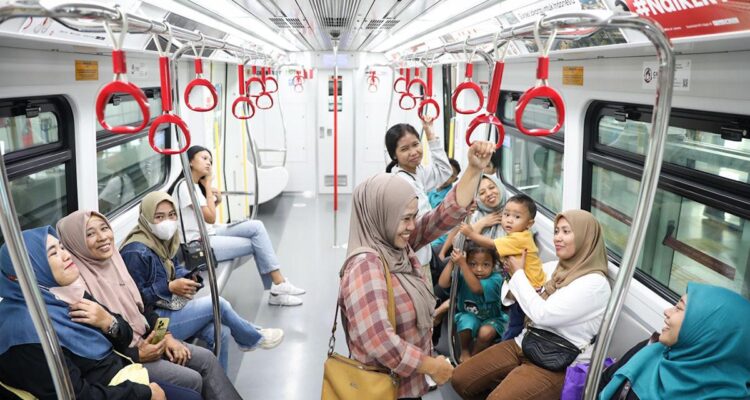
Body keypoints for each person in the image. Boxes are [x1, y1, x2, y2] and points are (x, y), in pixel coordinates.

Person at [339, 140, 495, 399]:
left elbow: (440, 218)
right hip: (386, 389)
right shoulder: (366, 266)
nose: (412, 226)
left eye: (413, 217)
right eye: (405, 219)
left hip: (405, 384)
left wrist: (474, 169)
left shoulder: (395, 245)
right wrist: (431, 366)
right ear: (381, 216)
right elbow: (379, 340)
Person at [0, 226, 200, 400]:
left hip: (121, 368)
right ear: (28, 271)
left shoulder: (67, 293)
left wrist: (108, 322)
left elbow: (127, 331)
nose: (66, 255)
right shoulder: (25, 335)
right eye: (53, 253)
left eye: (62, 247)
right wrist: (143, 392)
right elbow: (74, 395)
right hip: (111, 382)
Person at [56, 210, 234, 399]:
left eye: (104, 228)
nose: (102, 237)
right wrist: (137, 354)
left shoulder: (115, 262)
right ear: (75, 242)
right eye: (90, 234)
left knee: (207, 358)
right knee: (191, 379)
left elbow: (145, 309)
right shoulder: (78, 290)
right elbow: (98, 348)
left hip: (149, 337)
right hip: (127, 358)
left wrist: (166, 336)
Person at [451, 210, 612, 400]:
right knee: (460, 378)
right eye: (556, 231)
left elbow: (542, 314)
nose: (558, 237)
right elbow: (508, 295)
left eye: (566, 232)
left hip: (560, 360)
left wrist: (519, 275)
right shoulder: (555, 267)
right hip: (526, 341)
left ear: (585, 238)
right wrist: (516, 278)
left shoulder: (595, 284)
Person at [120, 192, 284, 372]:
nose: (167, 221)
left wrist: (188, 277)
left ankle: (220, 385)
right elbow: (135, 303)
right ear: (146, 218)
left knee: (220, 332)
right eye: (159, 217)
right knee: (218, 304)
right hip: (154, 328)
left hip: (170, 308)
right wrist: (169, 287)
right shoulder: (135, 252)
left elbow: (175, 267)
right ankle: (253, 338)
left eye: (171, 215)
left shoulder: (162, 241)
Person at [168, 145, 304, 306]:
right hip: (199, 243)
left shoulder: (194, 185)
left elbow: (202, 218)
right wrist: (209, 187)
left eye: (210, 160)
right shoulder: (186, 187)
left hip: (210, 232)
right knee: (255, 243)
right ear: (190, 161)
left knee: (256, 226)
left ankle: (279, 285)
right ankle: (278, 287)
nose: (208, 163)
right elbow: (210, 217)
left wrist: (215, 200)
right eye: (204, 158)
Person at [599, 282, 750, 400]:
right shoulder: (651, 348)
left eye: (679, 308)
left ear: (709, 331)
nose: (667, 311)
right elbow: (603, 382)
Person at [460, 193, 544, 340]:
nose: (509, 220)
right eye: (506, 214)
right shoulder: (516, 236)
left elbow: (492, 244)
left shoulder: (520, 238)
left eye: (517, 217)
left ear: (529, 224)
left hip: (529, 289)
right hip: (527, 286)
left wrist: (471, 234)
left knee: (516, 324)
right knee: (517, 321)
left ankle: (508, 343)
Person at [385, 119, 453, 286]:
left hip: (421, 256)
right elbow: (422, 220)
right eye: (405, 149)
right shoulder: (402, 182)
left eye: (416, 144)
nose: (413, 152)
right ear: (394, 155)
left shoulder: (417, 172)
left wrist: (430, 134)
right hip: (411, 261)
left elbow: (444, 171)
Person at [435, 244, 506, 364]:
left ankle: (473, 356)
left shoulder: (495, 279)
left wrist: (463, 264)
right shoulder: (463, 275)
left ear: (493, 265)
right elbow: (443, 283)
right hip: (467, 315)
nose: (479, 269)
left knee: (485, 332)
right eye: (473, 264)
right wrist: (452, 262)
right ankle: (464, 351)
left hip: (492, 318)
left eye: (485, 265)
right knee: (467, 321)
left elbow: (477, 289)